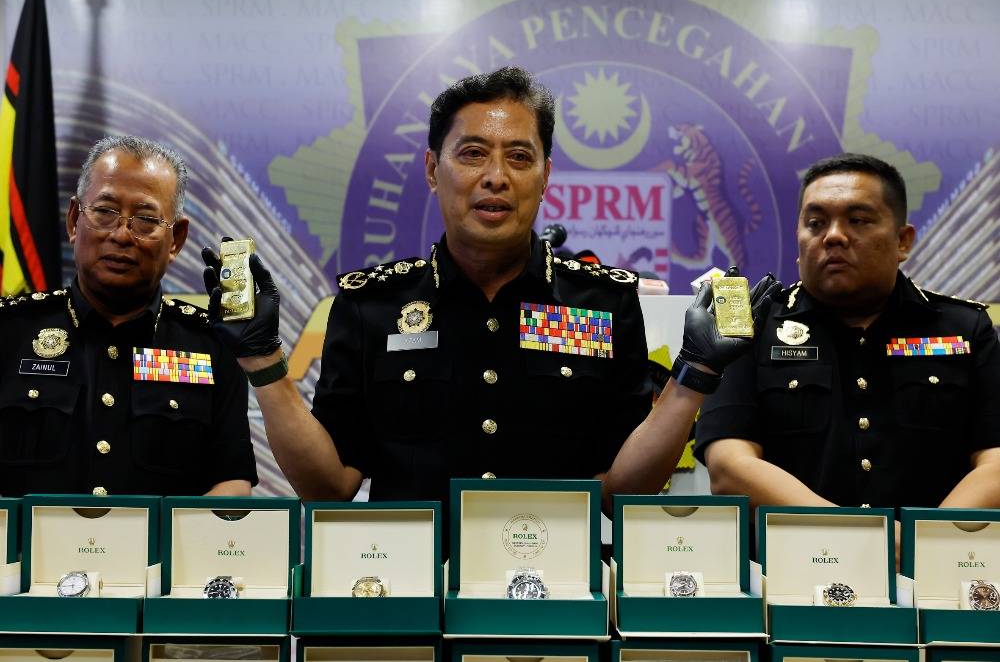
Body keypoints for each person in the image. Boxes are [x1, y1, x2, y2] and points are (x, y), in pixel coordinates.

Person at [204, 66, 779, 510]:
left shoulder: (604, 303)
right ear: (433, 169)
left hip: (559, 595)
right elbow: (328, 488)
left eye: (520, 157)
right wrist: (263, 361)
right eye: (473, 153)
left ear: (547, 174)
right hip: (409, 593)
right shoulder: (371, 306)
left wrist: (694, 375)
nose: (496, 177)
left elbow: (623, 488)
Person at [696, 153, 1000, 531]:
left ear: (903, 241)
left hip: (932, 572)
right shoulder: (749, 325)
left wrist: (928, 541)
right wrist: (855, 535)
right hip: (791, 573)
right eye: (815, 223)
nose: (834, 235)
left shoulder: (964, 329)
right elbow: (729, 465)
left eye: (857, 220)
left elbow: (995, 463)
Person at [0, 135, 257, 497]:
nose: (122, 235)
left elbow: (230, 481)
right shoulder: (9, 333)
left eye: (146, 220)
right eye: (105, 212)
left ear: (176, 240)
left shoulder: (212, 345)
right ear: (74, 220)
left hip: (162, 554)